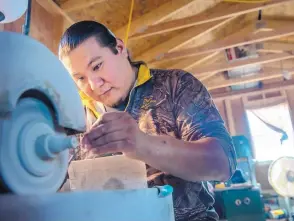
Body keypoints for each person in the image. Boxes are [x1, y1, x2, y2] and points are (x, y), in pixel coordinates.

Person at [58, 20, 236, 221]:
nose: (93, 84)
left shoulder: (175, 86)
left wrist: (144, 145)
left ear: (119, 48)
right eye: (80, 78)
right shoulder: (74, 120)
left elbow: (223, 163)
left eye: (97, 66)